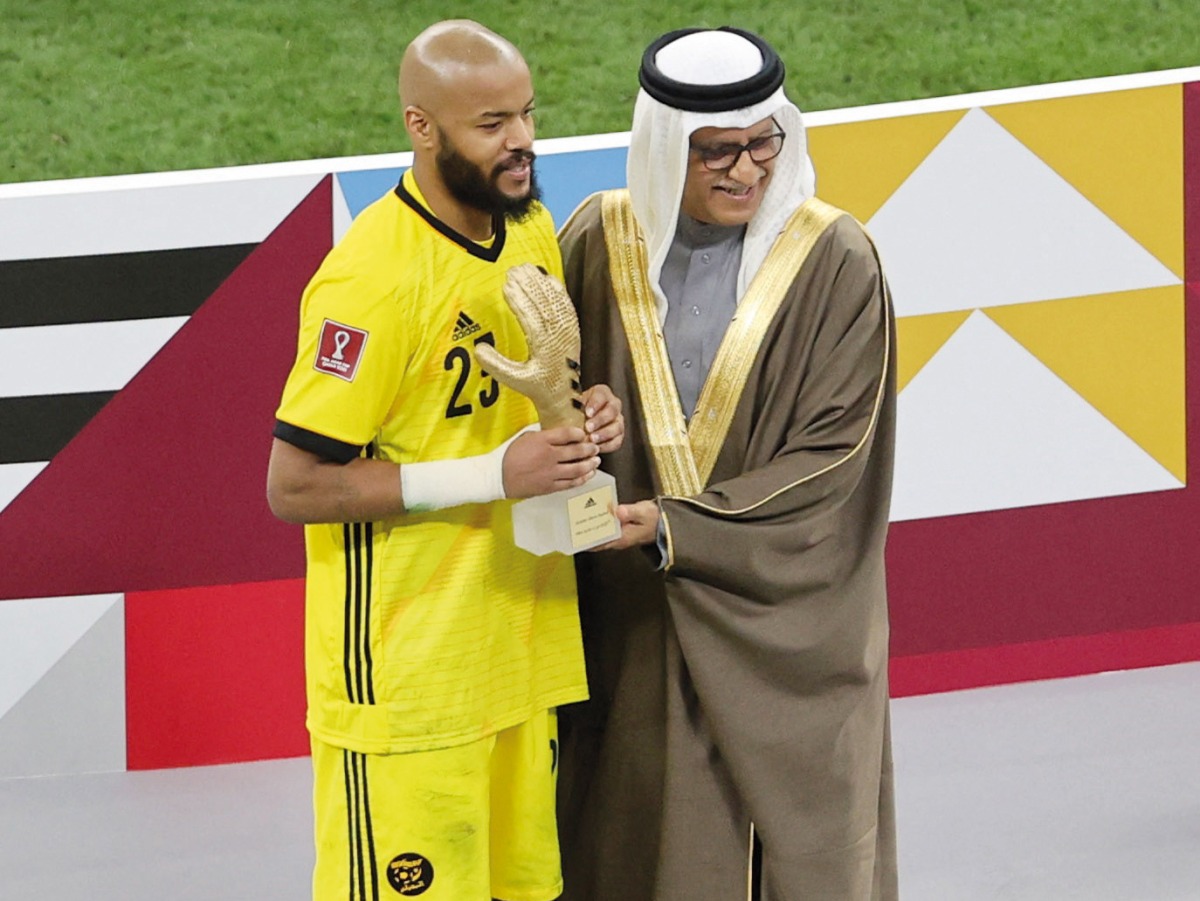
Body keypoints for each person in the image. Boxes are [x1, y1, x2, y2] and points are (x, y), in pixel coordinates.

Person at [265, 20, 623, 901]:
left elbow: (523, 407)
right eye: (493, 123)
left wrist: (587, 409)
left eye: (529, 115)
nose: (523, 142)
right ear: (422, 127)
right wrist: (493, 474)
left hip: (519, 656)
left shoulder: (530, 225)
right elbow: (294, 484)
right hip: (412, 684)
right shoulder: (373, 281)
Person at [555, 26, 898, 901]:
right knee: (620, 836)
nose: (747, 170)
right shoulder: (597, 239)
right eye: (717, 152)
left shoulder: (837, 262)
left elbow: (834, 461)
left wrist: (676, 527)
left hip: (776, 622)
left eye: (762, 144)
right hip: (625, 615)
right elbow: (554, 402)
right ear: (669, 149)